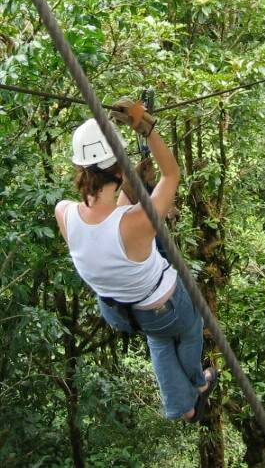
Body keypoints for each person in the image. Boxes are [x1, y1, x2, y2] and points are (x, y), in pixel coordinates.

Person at [54, 100, 217, 422]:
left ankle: (180, 407)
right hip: (164, 307)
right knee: (190, 327)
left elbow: (110, 225)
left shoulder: (64, 212)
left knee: (158, 337)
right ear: (119, 168)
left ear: (80, 170)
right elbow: (171, 174)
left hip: (118, 313)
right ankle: (198, 385)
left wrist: (133, 184)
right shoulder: (136, 222)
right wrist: (145, 125)